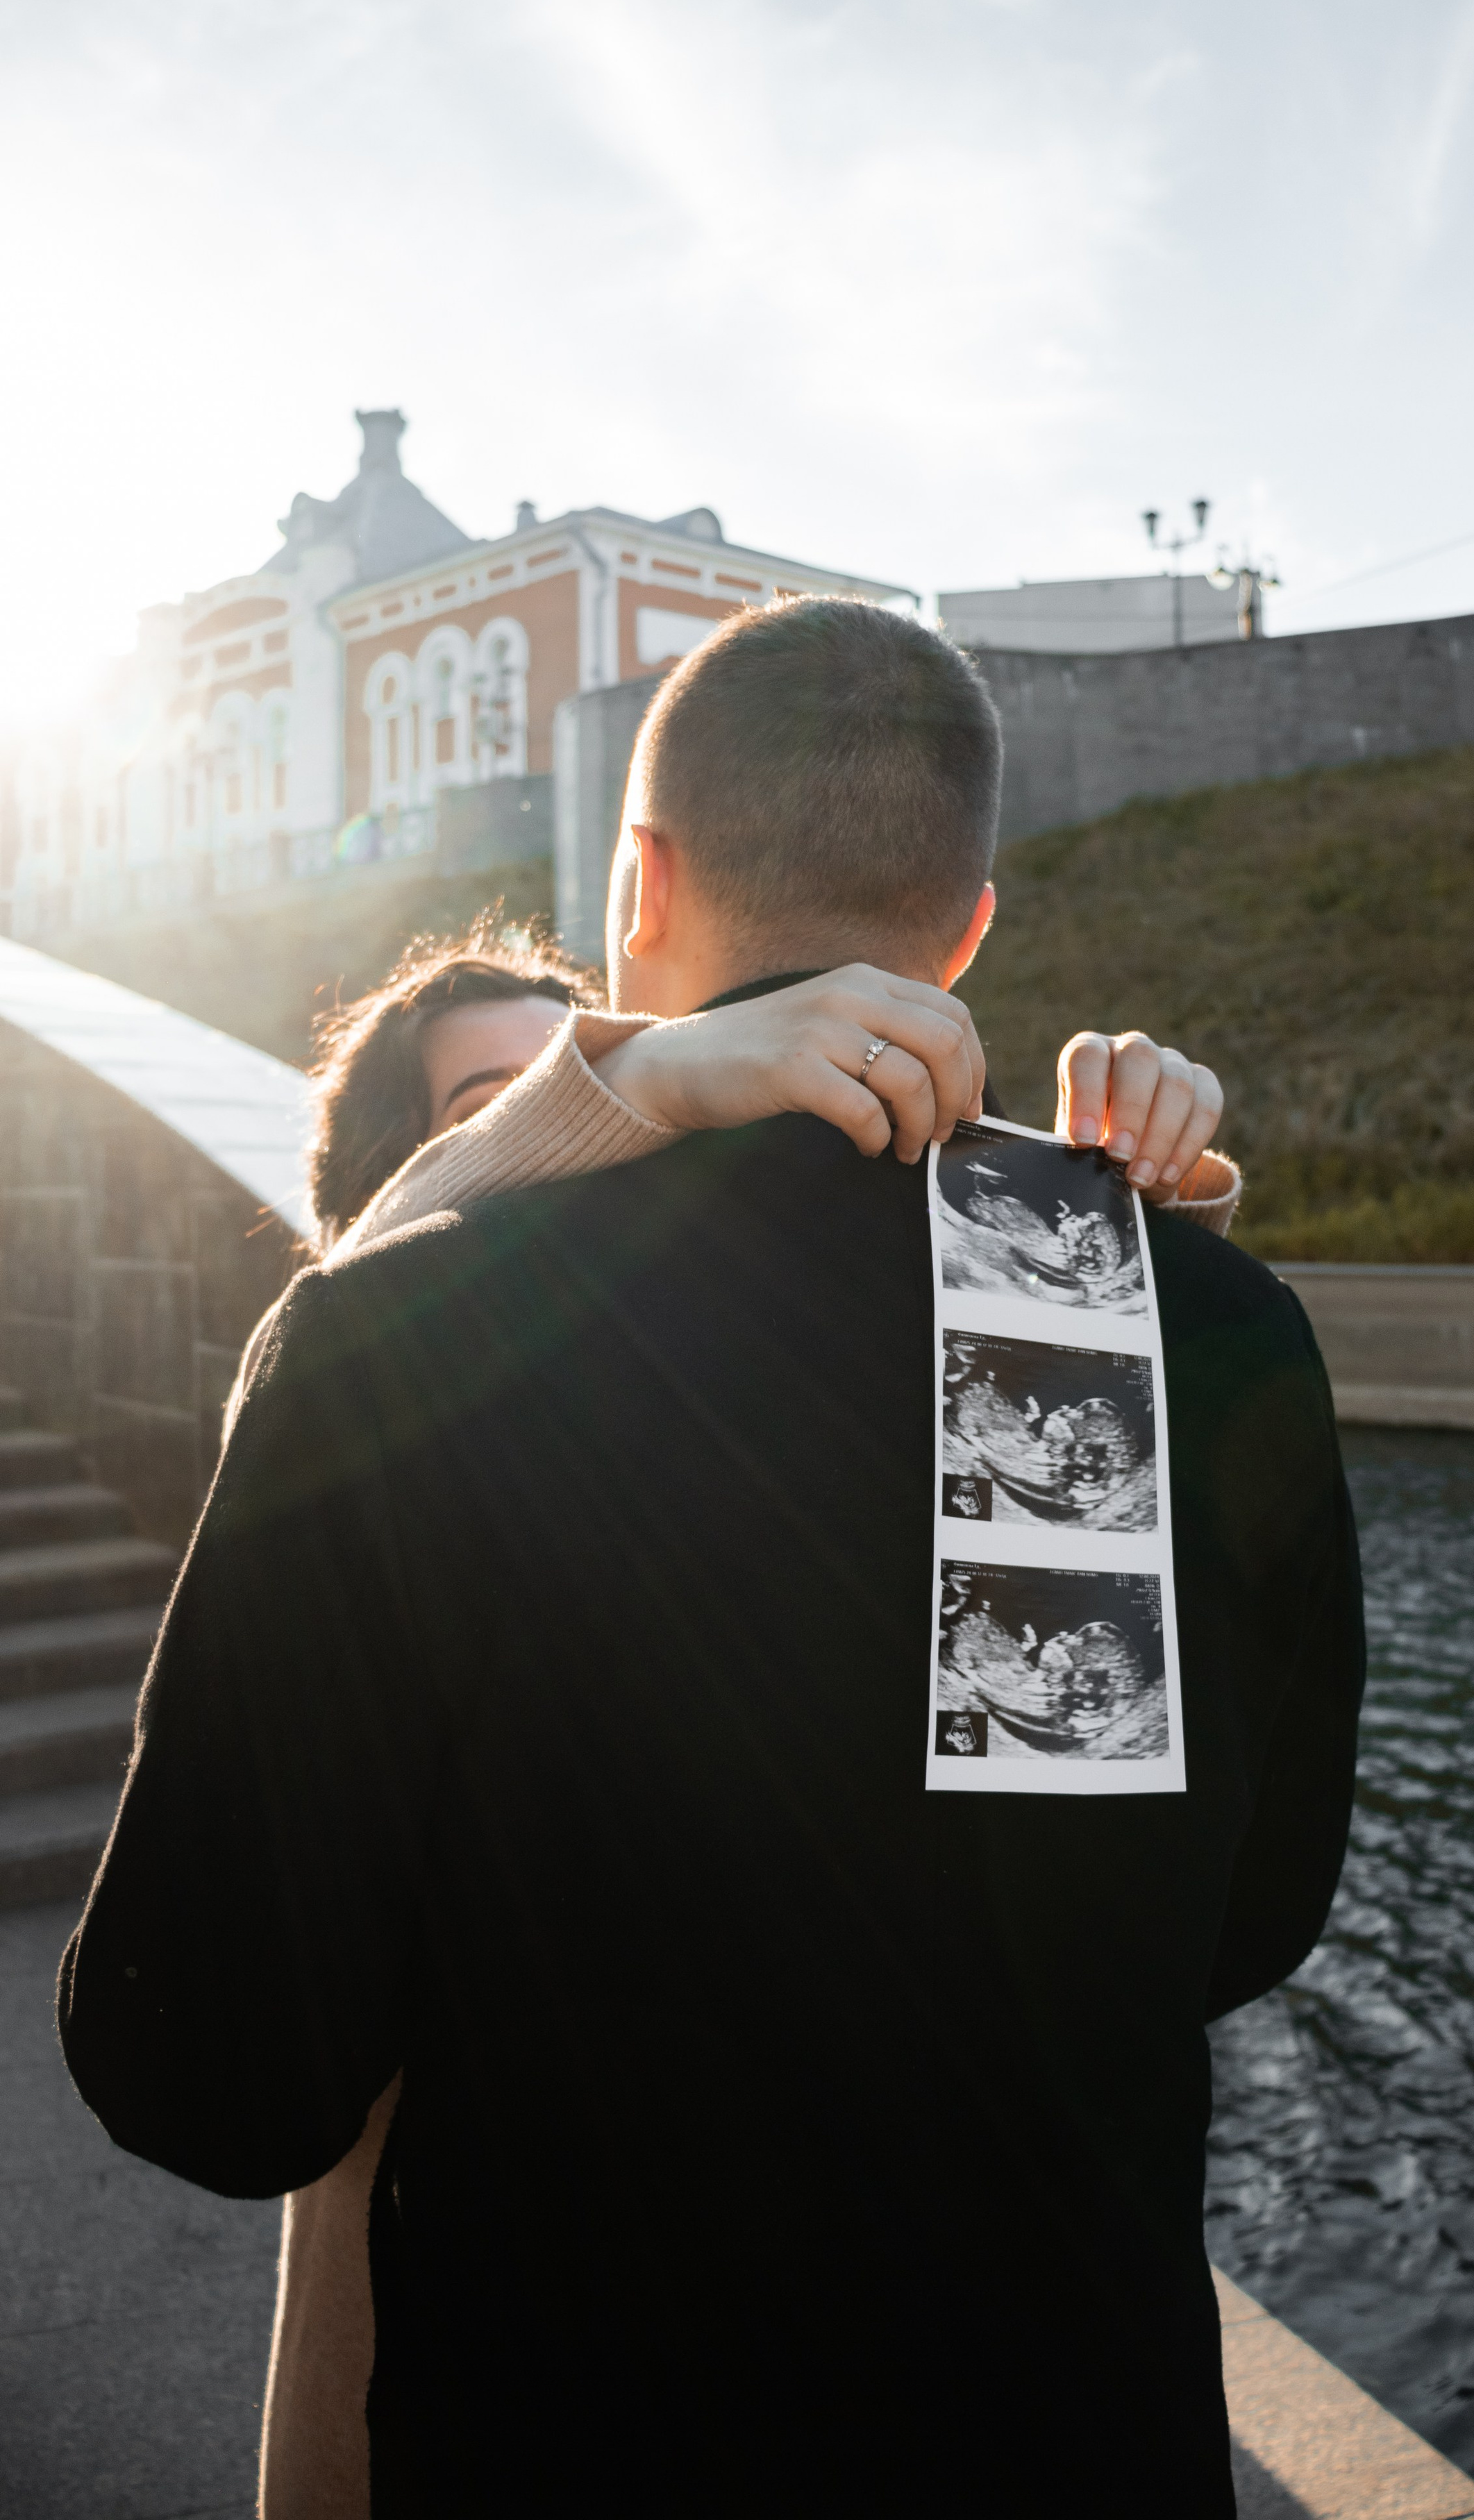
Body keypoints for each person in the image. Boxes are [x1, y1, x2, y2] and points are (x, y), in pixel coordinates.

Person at [60, 596, 1363, 2518]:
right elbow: (1243, 1920)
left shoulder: (408, 1335)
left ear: (636, 881)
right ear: (974, 921)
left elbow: (209, 2066)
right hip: (1084, 2442)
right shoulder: (1191, 1317)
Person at [255, 928, 1238, 2518]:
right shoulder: (359, 1397)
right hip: (456, 2244)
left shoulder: (682, 1402)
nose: (584, 1129)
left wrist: (1126, 1219)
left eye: (606, 1086)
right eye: (508, 1106)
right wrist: (619, 1079)